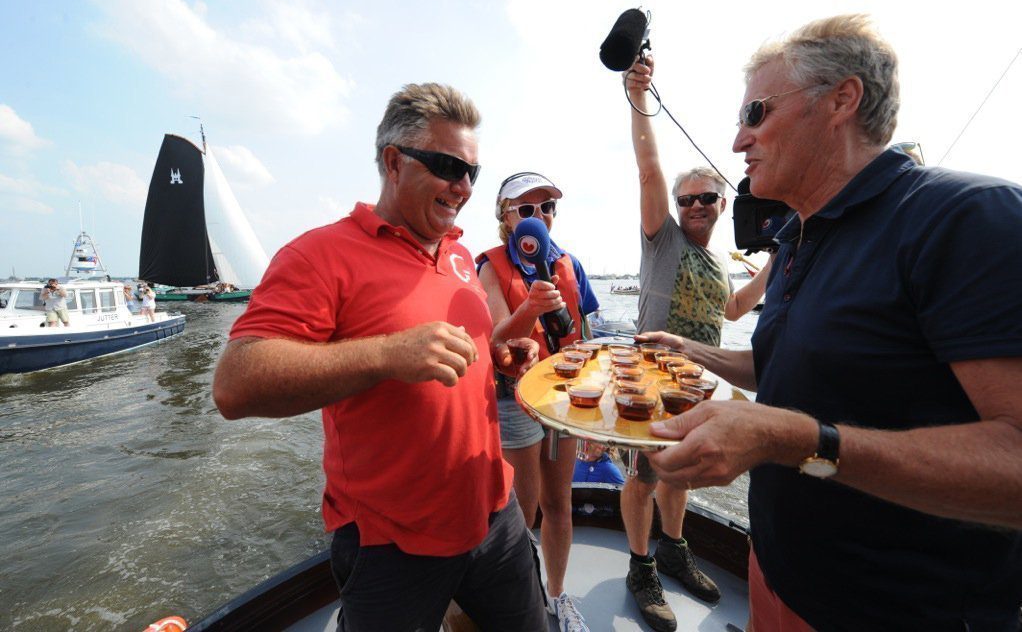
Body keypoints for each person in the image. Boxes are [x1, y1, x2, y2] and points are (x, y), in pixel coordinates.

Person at [639, 14, 1022, 631]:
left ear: (843, 99)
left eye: (755, 113)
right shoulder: (796, 239)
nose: (738, 141)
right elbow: (785, 371)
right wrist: (693, 350)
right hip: (778, 575)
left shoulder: (966, 218)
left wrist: (798, 441)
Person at [212, 82, 548, 632]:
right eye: (446, 166)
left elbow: (452, 357)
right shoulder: (320, 255)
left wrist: (495, 354)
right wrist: (388, 353)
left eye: (471, 173)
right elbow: (235, 384)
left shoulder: (461, 255)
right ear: (394, 162)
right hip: (391, 540)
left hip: (494, 511)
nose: (462, 186)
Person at [618, 55, 774, 630]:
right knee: (643, 474)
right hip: (650, 381)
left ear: (722, 204)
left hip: (699, 382)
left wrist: (774, 264)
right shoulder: (664, 242)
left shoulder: (714, 258)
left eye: (707, 198)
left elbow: (732, 308)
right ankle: (641, 565)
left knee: (678, 471)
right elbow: (648, 166)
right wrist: (639, 95)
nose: (697, 207)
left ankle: (674, 550)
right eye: (687, 199)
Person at [476, 171, 600, 632]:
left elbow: (587, 336)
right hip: (515, 398)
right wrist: (530, 308)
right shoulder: (490, 265)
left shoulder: (569, 263)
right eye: (527, 209)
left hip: (566, 398)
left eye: (547, 208)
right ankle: (520, 599)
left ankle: (559, 594)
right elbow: (492, 336)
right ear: (506, 219)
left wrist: (595, 414)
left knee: (559, 502)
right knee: (522, 510)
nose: (539, 217)